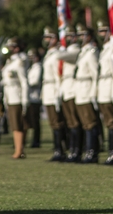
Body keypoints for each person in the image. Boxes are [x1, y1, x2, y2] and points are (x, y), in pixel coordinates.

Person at [72, 25, 102, 163]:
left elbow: (95, 74)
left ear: (89, 36)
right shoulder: (83, 52)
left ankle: (92, 152)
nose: (79, 37)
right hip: (80, 91)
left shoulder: (91, 52)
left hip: (87, 90)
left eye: (82, 34)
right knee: (85, 124)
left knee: (90, 123)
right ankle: (87, 151)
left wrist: (93, 93)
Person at [95, 20, 113, 165]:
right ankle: (112, 152)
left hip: (111, 86)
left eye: (103, 31)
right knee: (108, 122)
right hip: (103, 87)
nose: (101, 34)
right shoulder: (104, 49)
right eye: (99, 31)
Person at [1, 38, 31, 159]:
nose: (9, 49)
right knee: (15, 123)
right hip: (10, 95)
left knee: (17, 124)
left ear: (17, 48)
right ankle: (19, 149)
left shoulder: (19, 62)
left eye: (11, 47)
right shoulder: (10, 62)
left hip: (17, 96)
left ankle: (19, 150)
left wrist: (25, 99)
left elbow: (24, 82)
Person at [41, 28, 66, 161]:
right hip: (47, 90)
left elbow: (58, 75)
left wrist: (58, 92)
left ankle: (61, 150)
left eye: (48, 37)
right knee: (52, 122)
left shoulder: (56, 54)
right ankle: (57, 149)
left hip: (53, 89)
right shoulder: (49, 54)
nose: (45, 40)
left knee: (57, 122)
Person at [58, 27, 83, 162]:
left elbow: (60, 56)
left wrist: (61, 48)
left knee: (75, 122)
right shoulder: (67, 50)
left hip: (73, 89)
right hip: (66, 89)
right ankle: (72, 149)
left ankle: (77, 150)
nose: (67, 39)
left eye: (69, 36)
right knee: (70, 123)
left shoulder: (76, 50)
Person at [26, 48, 44, 149]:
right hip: (30, 96)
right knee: (31, 120)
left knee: (35, 121)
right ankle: (33, 140)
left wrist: (25, 84)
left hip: (35, 96)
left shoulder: (38, 67)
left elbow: (35, 81)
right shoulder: (31, 67)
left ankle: (36, 141)